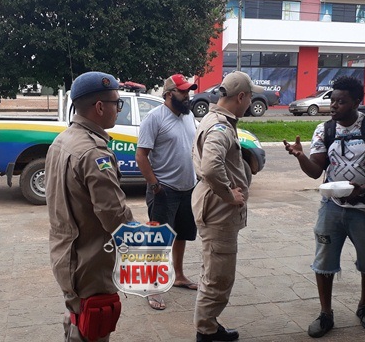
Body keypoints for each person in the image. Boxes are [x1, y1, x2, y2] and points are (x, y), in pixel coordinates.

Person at [282, 76, 365, 338]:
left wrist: (363, 190)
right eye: (332, 101)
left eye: (341, 101)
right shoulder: (325, 130)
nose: (334, 106)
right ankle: (326, 314)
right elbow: (316, 172)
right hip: (331, 207)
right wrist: (301, 156)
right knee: (323, 260)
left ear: (357, 102)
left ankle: (364, 307)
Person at [45, 71, 135, 342]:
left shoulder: (62, 141)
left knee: (77, 317)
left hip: (66, 255)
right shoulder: (93, 152)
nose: (118, 110)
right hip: (90, 261)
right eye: (116, 104)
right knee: (93, 326)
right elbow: (113, 214)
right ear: (99, 107)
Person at [192, 71, 263, 342]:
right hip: (218, 211)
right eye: (250, 97)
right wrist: (228, 194)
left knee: (213, 268)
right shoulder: (220, 127)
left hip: (210, 206)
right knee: (218, 276)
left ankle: (209, 324)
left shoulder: (212, 118)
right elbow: (210, 166)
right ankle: (206, 331)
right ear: (241, 97)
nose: (250, 103)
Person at [135, 73, 199, 311]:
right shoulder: (154, 118)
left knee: (182, 235)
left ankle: (179, 275)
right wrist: (154, 185)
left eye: (188, 91)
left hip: (188, 188)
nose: (187, 95)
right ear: (169, 94)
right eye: (183, 92)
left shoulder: (189, 115)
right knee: (158, 240)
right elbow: (141, 156)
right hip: (164, 190)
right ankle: (152, 287)